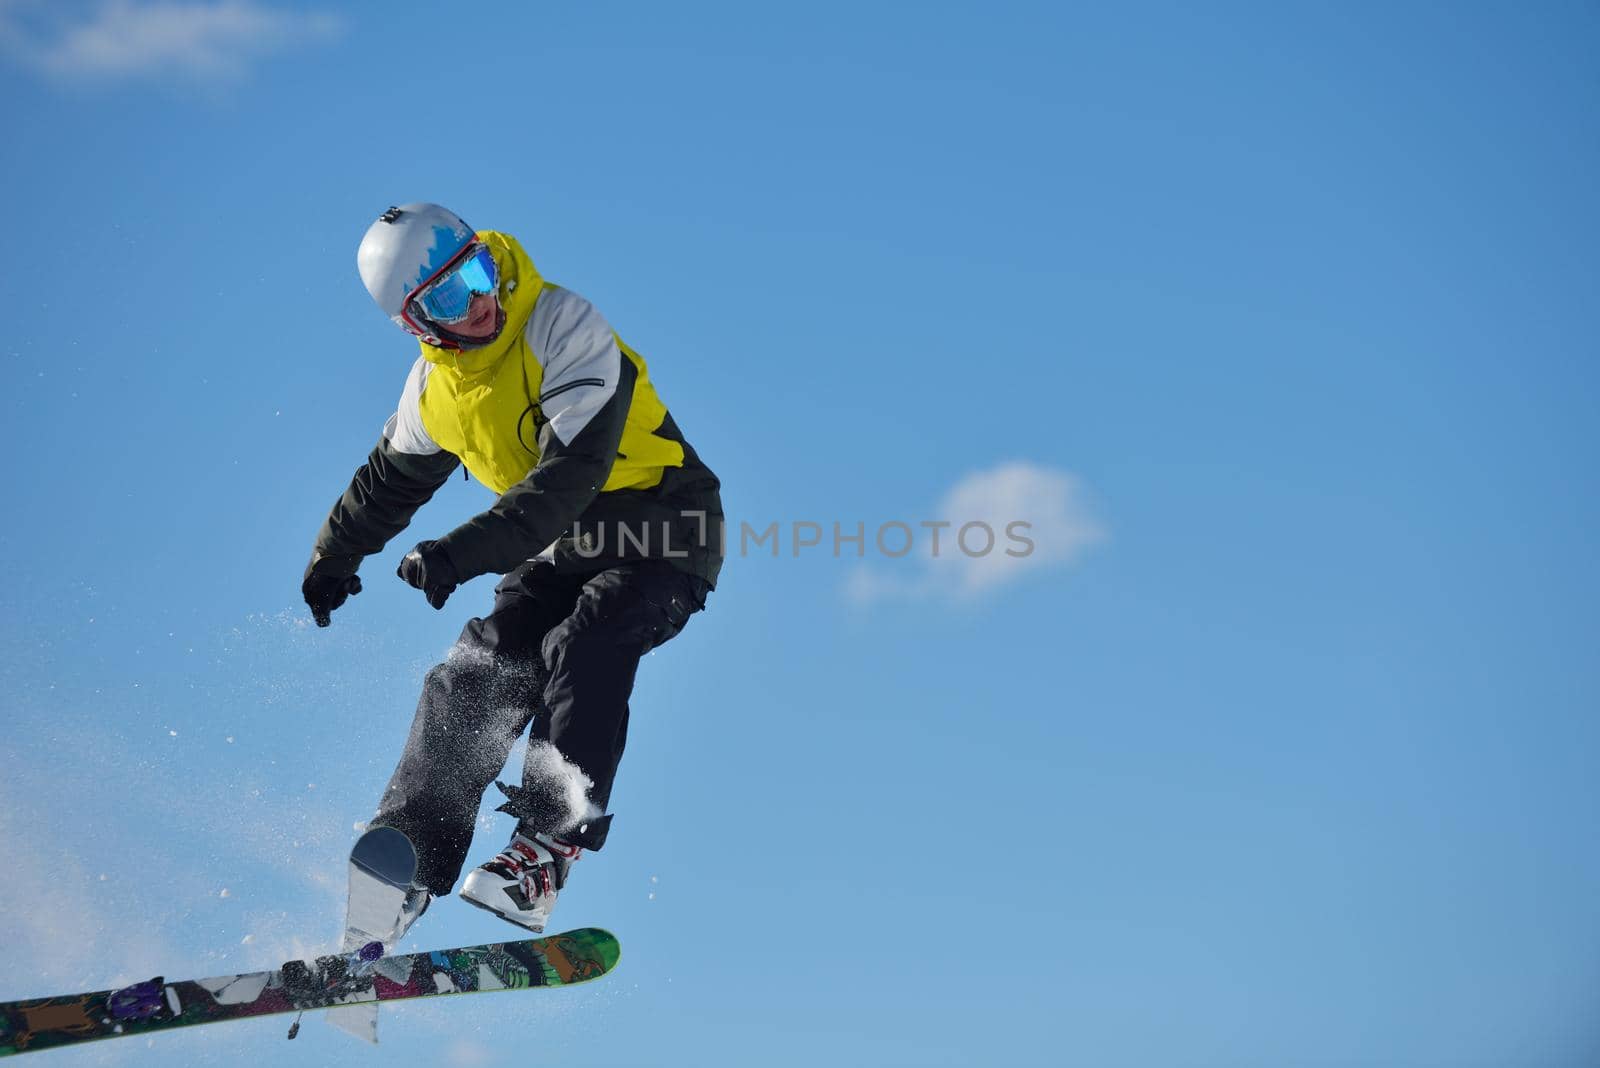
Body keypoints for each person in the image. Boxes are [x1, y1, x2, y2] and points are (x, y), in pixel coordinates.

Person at [301, 203, 723, 935]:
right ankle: (409, 856)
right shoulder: (435, 391)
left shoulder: (562, 324)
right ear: (415, 324)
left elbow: (568, 481)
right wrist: (333, 557)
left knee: (586, 643)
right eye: (446, 297)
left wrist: (458, 554)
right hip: (558, 545)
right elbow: (388, 482)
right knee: (482, 665)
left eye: (476, 271)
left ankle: (545, 851)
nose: (477, 300)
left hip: (663, 527)